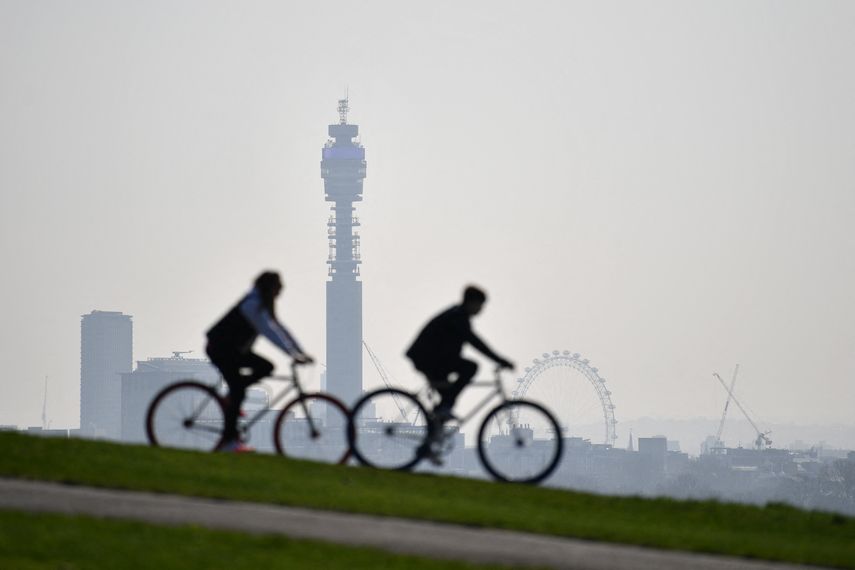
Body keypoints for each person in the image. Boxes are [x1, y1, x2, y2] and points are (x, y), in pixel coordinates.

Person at [206, 271, 313, 452]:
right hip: (221, 350)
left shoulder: (260, 306)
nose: (278, 296)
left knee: (266, 367)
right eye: (278, 291)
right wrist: (292, 354)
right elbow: (269, 332)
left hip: (233, 350)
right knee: (239, 391)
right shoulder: (251, 305)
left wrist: (300, 351)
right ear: (270, 289)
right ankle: (229, 443)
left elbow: (279, 328)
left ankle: (231, 398)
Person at [406, 285, 514, 425]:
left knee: (444, 405)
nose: (481, 309)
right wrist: (500, 360)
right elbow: (475, 342)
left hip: (429, 359)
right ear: (472, 302)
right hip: (428, 360)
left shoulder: (457, 315)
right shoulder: (458, 317)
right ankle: (444, 408)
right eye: (480, 305)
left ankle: (431, 438)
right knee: (470, 367)